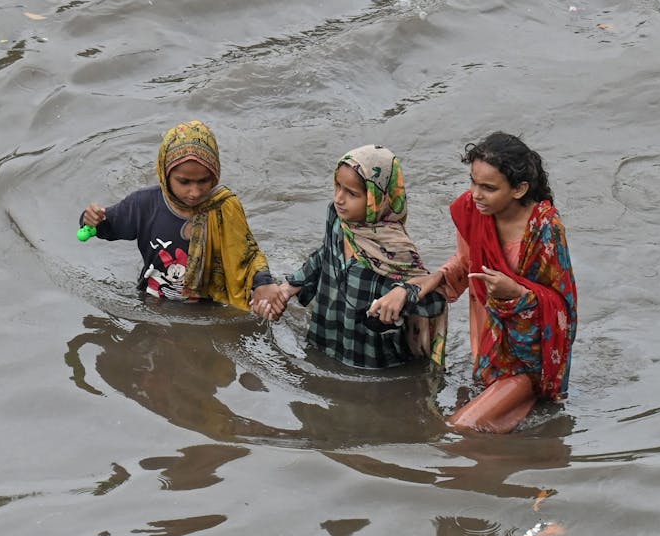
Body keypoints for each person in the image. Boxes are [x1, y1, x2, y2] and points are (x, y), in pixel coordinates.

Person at [411, 132, 577, 433]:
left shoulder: (544, 228)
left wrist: (516, 293)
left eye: (488, 187)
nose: (476, 194)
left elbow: (561, 306)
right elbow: (465, 263)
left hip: (529, 360)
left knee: (461, 428)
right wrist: (433, 279)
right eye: (473, 182)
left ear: (519, 189)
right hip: (487, 343)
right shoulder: (471, 211)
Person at [251, 145, 449, 368]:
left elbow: (434, 302)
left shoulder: (396, 250)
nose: (339, 198)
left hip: (371, 361)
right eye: (337, 186)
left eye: (352, 193)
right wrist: (288, 288)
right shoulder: (337, 219)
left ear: (378, 199)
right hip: (324, 340)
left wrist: (403, 295)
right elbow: (325, 256)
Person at [78, 120, 274, 313]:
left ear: (215, 174)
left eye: (204, 181)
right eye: (184, 182)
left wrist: (263, 286)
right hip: (153, 302)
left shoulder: (224, 208)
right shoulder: (144, 204)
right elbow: (107, 228)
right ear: (165, 174)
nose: (195, 192)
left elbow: (246, 256)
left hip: (209, 306)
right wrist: (91, 220)